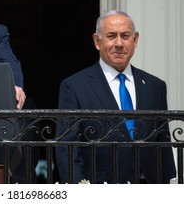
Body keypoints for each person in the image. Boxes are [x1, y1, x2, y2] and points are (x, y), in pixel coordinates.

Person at [55, 10, 176, 184]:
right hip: (100, 190)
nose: (119, 43)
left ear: (135, 40)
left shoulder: (154, 86)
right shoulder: (74, 86)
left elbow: (163, 144)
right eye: (111, 36)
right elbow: (67, 148)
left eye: (125, 36)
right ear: (97, 41)